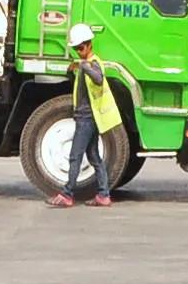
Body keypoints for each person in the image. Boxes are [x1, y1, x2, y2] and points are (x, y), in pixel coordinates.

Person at [54, 20, 131, 207]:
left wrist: (84, 66)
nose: (78, 52)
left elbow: (98, 78)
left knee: (75, 155)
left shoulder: (93, 64)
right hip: (88, 117)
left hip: (87, 119)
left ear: (89, 45)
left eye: (81, 48)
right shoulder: (85, 64)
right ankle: (103, 195)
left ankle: (67, 194)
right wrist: (73, 70)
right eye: (76, 49)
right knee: (94, 157)